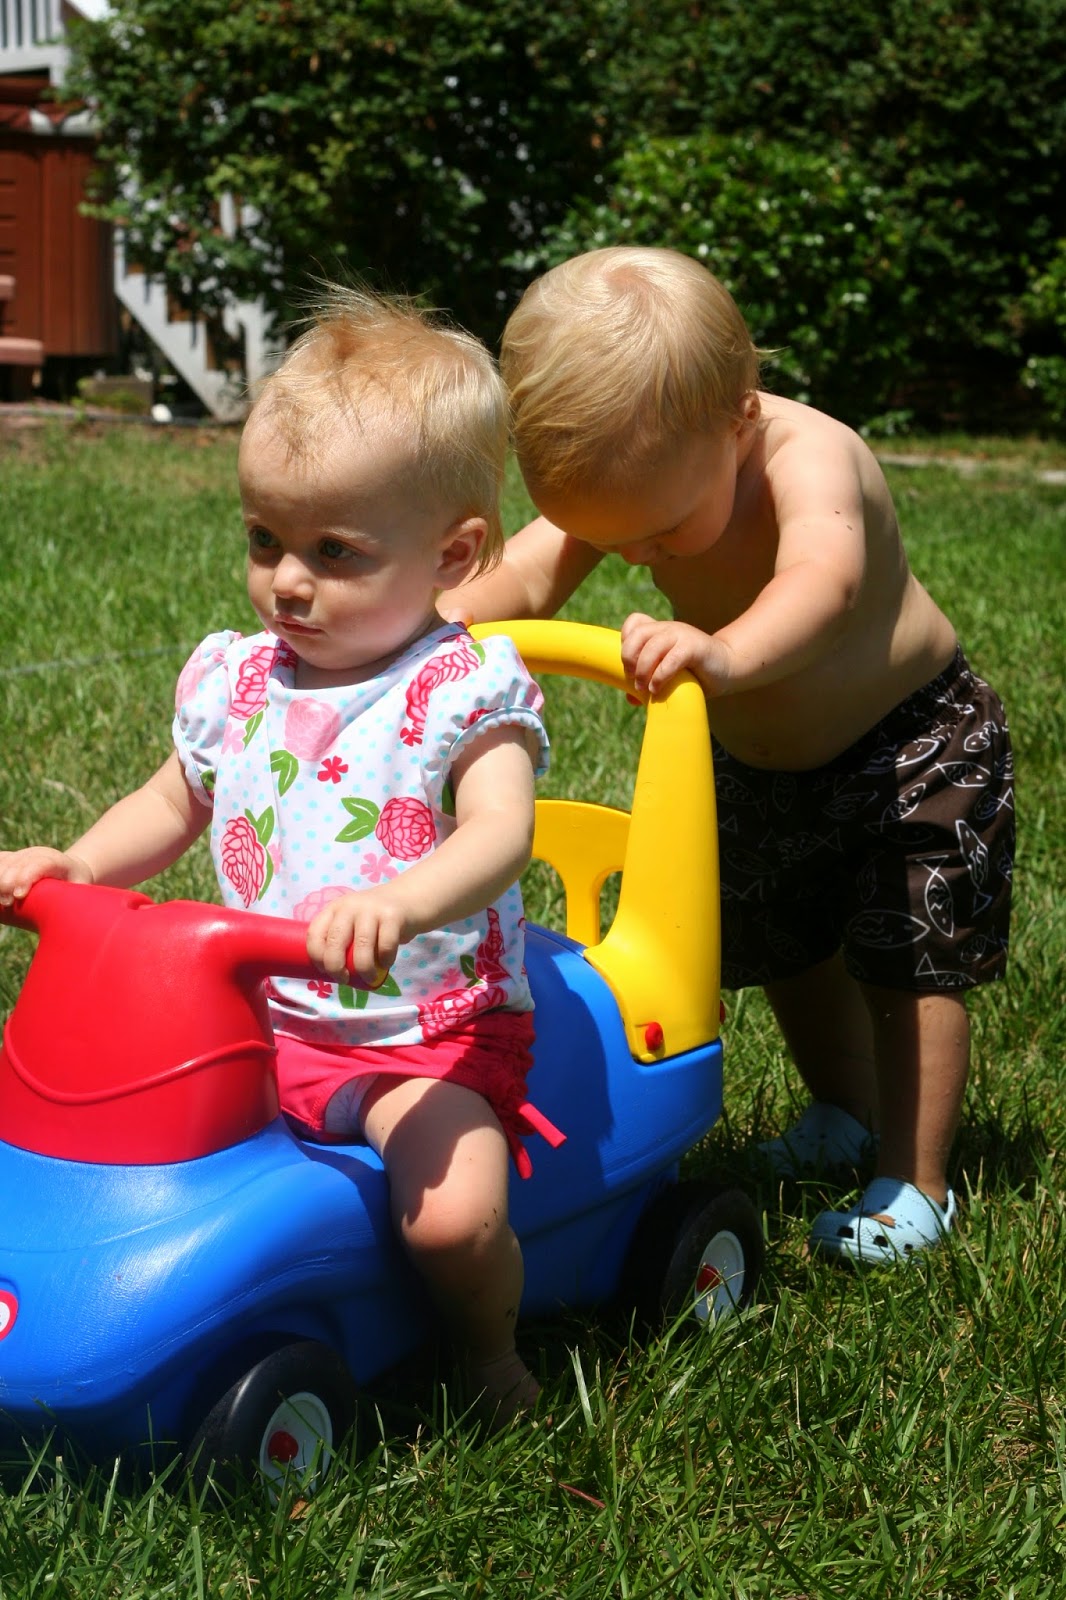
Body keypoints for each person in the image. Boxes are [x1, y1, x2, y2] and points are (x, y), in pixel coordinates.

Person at [0, 285, 560, 1419]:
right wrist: (81, 869)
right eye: (266, 539)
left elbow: (504, 830)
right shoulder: (240, 677)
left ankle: (487, 1355)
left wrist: (405, 901)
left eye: (333, 551)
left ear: (452, 553)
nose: (288, 580)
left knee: (451, 1218)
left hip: (418, 1032)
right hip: (254, 1020)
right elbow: (174, 799)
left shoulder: (460, 687)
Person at [439, 245, 1014, 1266]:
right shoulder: (649, 475)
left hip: (912, 745)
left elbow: (825, 580)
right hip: (760, 758)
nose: (636, 557)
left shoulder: (809, 454)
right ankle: (842, 1110)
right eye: (609, 539)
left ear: (740, 413)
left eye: (660, 535)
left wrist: (725, 654)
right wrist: (433, 631)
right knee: (783, 940)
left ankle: (917, 1181)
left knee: (910, 958)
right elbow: (527, 572)